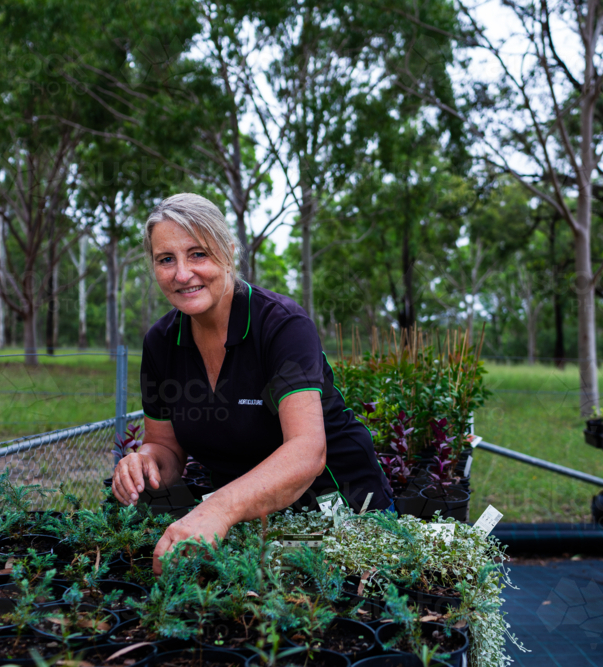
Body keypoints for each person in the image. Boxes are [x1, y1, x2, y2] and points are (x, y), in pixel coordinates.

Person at [111, 193, 393, 573]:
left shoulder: (281, 326)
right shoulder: (161, 343)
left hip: (340, 510)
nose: (181, 273)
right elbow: (166, 447)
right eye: (166, 259)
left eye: (198, 254)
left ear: (228, 253)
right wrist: (144, 462)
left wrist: (215, 511)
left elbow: (307, 450)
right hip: (249, 521)